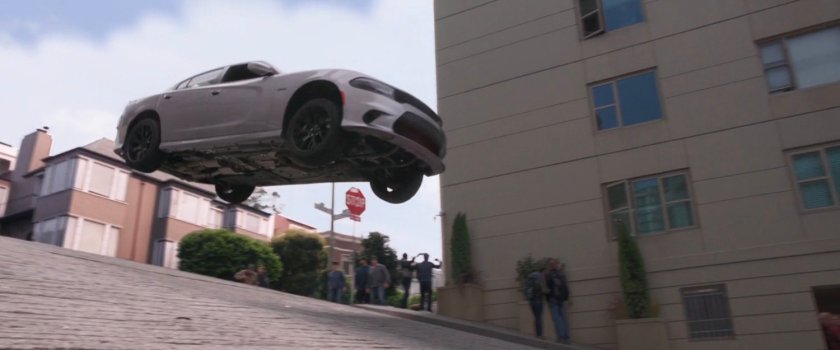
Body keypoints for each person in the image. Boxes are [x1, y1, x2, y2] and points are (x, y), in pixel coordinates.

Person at [544, 259, 570, 344]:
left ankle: (560, 337)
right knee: (564, 318)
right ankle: (567, 338)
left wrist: (548, 299)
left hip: (553, 299)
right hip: (561, 299)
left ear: (550, 266)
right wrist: (565, 298)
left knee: (557, 319)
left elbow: (546, 289)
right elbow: (566, 288)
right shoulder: (562, 274)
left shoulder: (549, 275)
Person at [524, 269, 545, 339]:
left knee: (536, 317)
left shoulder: (529, 279)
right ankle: (539, 334)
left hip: (531, 301)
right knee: (538, 317)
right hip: (538, 299)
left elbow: (525, 291)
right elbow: (542, 289)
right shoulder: (539, 278)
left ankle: (536, 333)